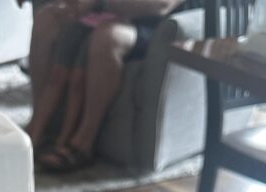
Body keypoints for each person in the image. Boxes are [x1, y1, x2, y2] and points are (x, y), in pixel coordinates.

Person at [23, 0, 181, 172]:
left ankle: (82, 144)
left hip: (155, 25)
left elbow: (162, 5)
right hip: (106, 14)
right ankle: (40, 127)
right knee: (46, 19)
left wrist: (98, 2)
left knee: (107, 36)